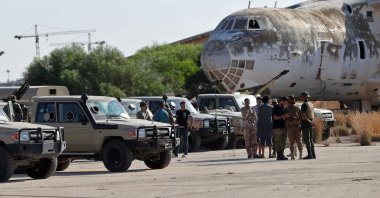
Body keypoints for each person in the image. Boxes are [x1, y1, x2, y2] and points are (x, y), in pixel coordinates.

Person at [285, 95, 302, 160]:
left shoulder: (297, 108)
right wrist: (288, 118)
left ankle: (300, 154)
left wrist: (296, 118)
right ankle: (292, 154)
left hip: (297, 126)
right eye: (291, 99)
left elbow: (301, 116)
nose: (293, 100)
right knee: (291, 142)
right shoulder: (286, 108)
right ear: (289, 100)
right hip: (290, 127)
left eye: (293, 99)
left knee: (299, 141)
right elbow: (284, 117)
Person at [300, 91, 316, 159]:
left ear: (304, 97)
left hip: (306, 123)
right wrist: (311, 122)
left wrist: (309, 121)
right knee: (311, 139)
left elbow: (303, 115)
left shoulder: (304, 105)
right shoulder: (311, 104)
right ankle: (313, 154)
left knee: (307, 139)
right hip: (311, 122)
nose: (301, 97)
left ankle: (310, 155)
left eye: (301, 96)